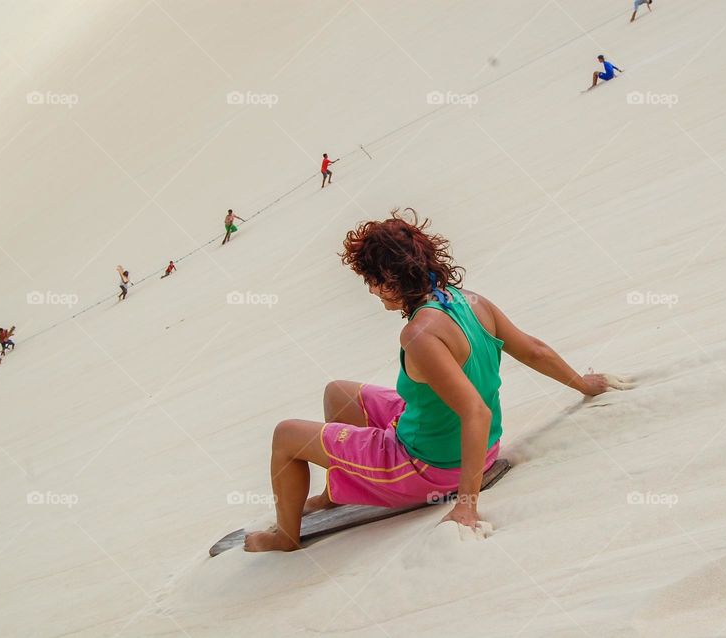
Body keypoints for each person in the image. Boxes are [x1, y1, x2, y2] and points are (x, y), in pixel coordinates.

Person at [243, 209, 632, 552]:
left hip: (428, 466)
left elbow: (474, 412)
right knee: (338, 393)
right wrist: (584, 384)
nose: (371, 290)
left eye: (371, 280)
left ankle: (286, 538)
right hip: (478, 446)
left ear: (390, 278)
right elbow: (534, 350)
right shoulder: (469, 300)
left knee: (286, 435)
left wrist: (467, 504)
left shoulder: (419, 334)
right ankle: (336, 493)